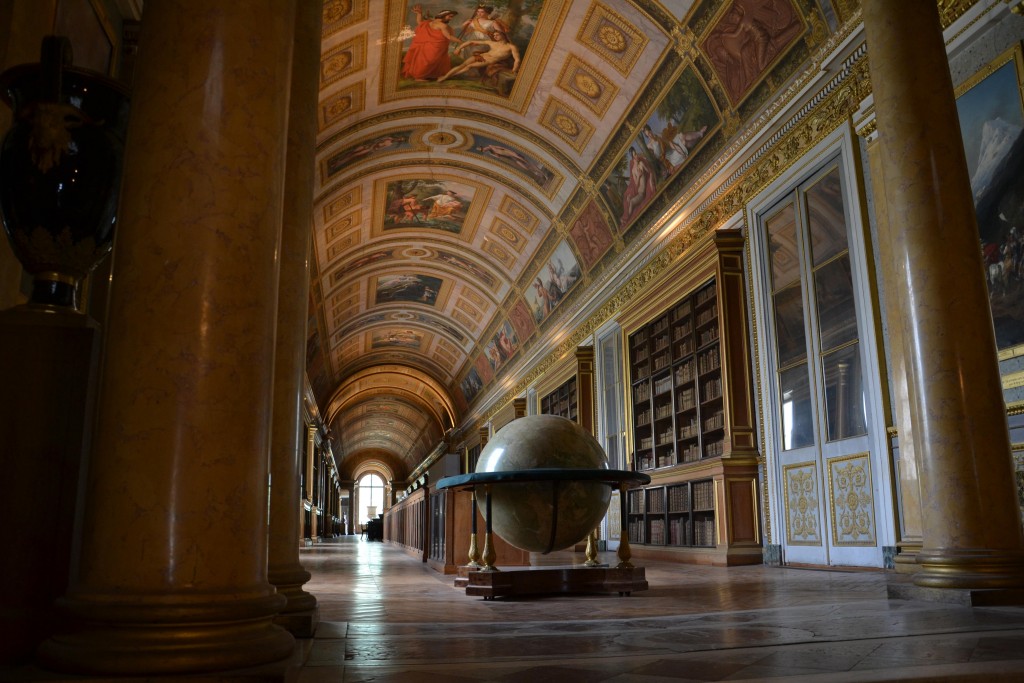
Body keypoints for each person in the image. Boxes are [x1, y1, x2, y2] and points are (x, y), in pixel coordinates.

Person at [402, 6, 460, 81]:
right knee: (429, 61)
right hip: (434, 47)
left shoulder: (430, 22)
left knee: (432, 61)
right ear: (443, 15)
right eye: (450, 16)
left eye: (452, 17)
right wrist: (461, 42)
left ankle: (430, 75)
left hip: (432, 46)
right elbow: (449, 36)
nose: (451, 18)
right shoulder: (442, 25)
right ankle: (419, 76)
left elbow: (420, 22)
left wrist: (419, 14)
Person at [437, 30, 520, 83]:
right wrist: (459, 48)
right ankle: (445, 77)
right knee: (462, 65)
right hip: (480, 56)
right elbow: (471, 42)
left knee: (469, 66)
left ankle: (447, 77)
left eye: (497, 35)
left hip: (489, 60)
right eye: (494, 35)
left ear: (503, 35)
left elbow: (517, 60)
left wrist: (514, 70)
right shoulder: (492, 43)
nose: (495, 36)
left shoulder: (511, 47)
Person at [620, 146, 657, 225]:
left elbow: (649, 172)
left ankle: (626, 219)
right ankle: (626, 218)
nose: (637, 156)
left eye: (636, 154)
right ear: (633, 158)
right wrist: (639, 176)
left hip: (642, 193)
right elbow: (636, 184)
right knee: (628, 200)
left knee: (631, 202)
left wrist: (651, 181)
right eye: (635, 155)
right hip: (638, 192)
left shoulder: (641, 164)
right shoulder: (633, 170)